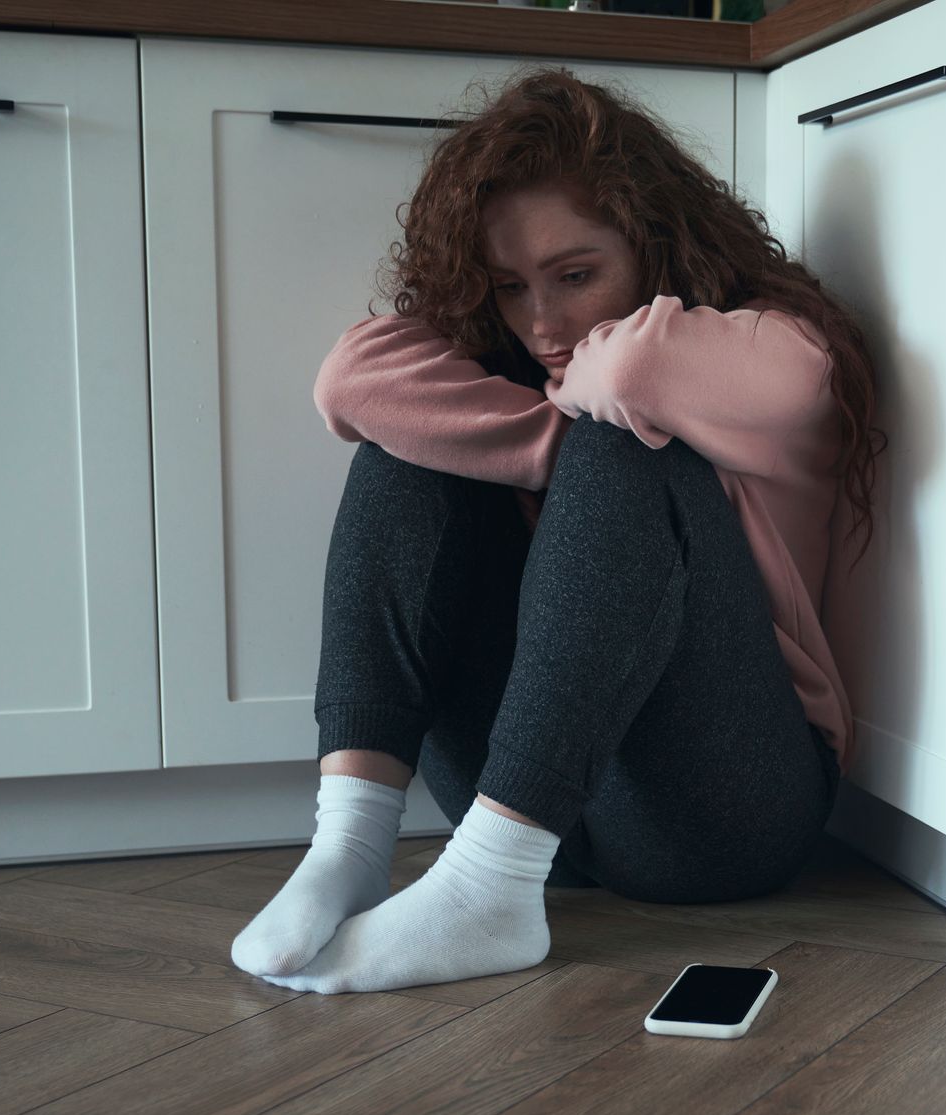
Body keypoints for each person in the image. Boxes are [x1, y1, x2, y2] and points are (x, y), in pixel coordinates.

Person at [229, 66, 883, 994]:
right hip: (543, 810)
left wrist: (567, 434)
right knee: (406, 447)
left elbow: (637, 375)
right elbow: (352, 380)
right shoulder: (541, 365)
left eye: (576, 275)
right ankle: (353, 844)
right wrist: (545, 434)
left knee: (630, 445)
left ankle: (489, 887)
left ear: (657, 244)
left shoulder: (776, 348)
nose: (540, 323)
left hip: (725, 810)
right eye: (506, 288)